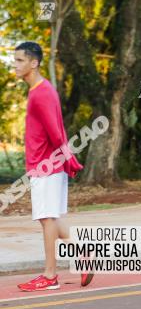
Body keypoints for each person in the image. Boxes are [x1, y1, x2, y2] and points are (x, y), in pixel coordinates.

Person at [13, 42, 94, 292]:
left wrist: (69, 160)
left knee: (47, 219)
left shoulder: (42, 92)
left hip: (47, 166)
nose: (15, 65)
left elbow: (56, 132)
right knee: (48, 219)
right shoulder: (39, 90)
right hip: (45, 166)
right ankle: (84, 255)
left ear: (33, 62)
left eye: (19, 60)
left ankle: (50, 276)